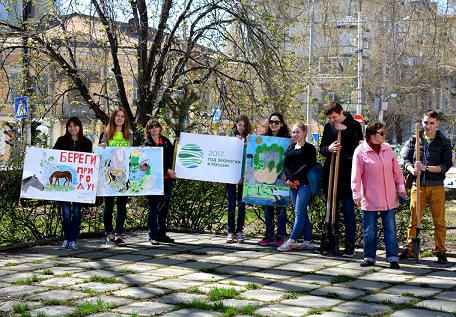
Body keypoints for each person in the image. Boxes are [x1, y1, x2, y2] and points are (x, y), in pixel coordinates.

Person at [400, 110, 453, 264]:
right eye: (425, 122)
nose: (428, 126)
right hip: (418, 186)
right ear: (422, 122)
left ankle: (441, 251)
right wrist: (412, 169)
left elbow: (446, 165)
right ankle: (410, 250)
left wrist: (427, 168)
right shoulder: (414, 139)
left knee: (439, 221)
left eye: (431, 123)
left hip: (436, 187)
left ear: (437, 123)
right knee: (414, 220)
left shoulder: (444, 141)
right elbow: (405, 159)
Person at [351, 122, 405, 269]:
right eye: (381, 133)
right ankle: (369, 257)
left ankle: (393, 258)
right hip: (370, 197)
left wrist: (401, 189)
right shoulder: (360, 151)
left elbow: (397, 172)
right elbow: (356, 175)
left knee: (391, 228)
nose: (384, 135)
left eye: (383, 132)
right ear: (371, 135)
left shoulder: (388, 149)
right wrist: (356, 194)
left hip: (389, 196)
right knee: (370, 229)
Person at [319, 101, 363, 256]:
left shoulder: (354, 125)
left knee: (348, 211)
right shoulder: (328, 127)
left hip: (347, 175)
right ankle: (332, 240)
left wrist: (346, 131)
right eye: (330, 118)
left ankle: (350, 244)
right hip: (330, 174)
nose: (332, 120)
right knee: (331, 211)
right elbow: (322, 150)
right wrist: (328, 149)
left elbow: (359, 149)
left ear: (341, 112)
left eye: (334, 117)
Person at [53, 117, 93, 250]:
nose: (72, 128)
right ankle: (66, 239)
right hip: (64, 186)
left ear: (80, 127)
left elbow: (89, 162)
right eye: (70, 126)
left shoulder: (87, 143)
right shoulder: (61, 141)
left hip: (79, 185)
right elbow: (51, 156)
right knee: (65, 213)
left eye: (75, 125)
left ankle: (73, 240)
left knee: (76, 212)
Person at [278, 122, 317, 252]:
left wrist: (294, 178)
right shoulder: (290, 148)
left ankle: (292, 241)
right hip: (293, 185)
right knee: (301, 212)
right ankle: (307, 241)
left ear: (304, 132)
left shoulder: (310, 149)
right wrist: (290, 179)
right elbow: (285, 165)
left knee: (299, 213)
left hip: (304, 184)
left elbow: (307, 166)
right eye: (293, 132)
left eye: (298, 132)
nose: (295, 135)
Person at [100, 107, 134, 246]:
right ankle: (109, 234)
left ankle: (118, 234)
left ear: (125, 119)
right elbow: (100, 153)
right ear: (113, 118)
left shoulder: (129, 134)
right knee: (108, 206)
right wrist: (101, 146)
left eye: (122, 116)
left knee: (122, 206)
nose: (120, 118)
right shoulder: (106, 133)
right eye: (117, 116)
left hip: (124, 175)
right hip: (108, 175)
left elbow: (133, 153)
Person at [258, 112, 291, 247]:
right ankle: (269, 235)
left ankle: (280, 236)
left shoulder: (288, 139)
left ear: (282, 124)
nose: (273, 125)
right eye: (271, 122)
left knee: (280, 207)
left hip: (280, 178)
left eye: (276, 122)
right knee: (267, 208)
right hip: (267, 177)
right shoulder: (264, 138)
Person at [144, 119, 177, 245]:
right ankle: (152, 235)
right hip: (153, 180)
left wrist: (180, 142)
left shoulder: (166, 142)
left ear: (160, 128)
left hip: (167, 180)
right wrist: (166, 170)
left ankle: (162, 233)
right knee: (153, 207)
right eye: (151, 127)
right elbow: (151, 162)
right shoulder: (147, 144)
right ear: (148, 130)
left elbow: (173, 157)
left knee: (164, 207)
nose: (154, 128)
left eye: (156, 126)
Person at [226, 115, 253, 243]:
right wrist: (233, 142)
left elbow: (247, 160)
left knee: (241, 204)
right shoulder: (230, 138)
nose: (242, 128)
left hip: (244, 176)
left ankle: (239, 231)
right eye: (239, 125)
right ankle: (230, 231)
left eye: (244, 125)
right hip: (230, 175)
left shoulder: (250, 139)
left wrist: (242, 176)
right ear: (235, 125)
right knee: (231, 203)